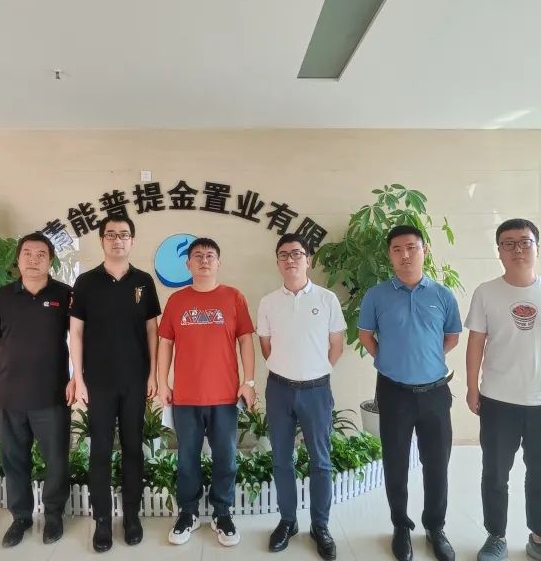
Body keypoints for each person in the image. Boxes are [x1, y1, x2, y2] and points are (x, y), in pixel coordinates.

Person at [465, 219, 541, 561]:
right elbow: (476, 343)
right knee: (494, 474)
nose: (517, 249)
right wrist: (472, 388)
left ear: (537, 247)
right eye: (508, 243)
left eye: (524, 241)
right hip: (498, 401)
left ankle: (540, 539)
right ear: (499, 251)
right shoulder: (486, 292)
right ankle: (496, 537)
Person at [358, 225, 461, 561]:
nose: (405, 255)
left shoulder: (443, 295)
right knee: (396, 461)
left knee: (437, 463)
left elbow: (451, 337)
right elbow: (365, 335)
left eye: (412, 247)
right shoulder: (376, 295)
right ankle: (401, 526)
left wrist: (427, 361)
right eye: (397, 249)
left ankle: (435, 527)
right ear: (389, 255)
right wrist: (387, 360)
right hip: (394, 392)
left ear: (424, 251)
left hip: (434, 392)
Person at [67, 214, 161, 552]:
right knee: (101, 451)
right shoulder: (86, 282)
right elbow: (76, 332)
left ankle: (132, 517)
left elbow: (152, 331)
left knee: (134, 448)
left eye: (123, 234)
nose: (117, 240)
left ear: (132, 240)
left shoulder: (143, 281)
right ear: (102, 240)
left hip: (135, 380)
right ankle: (103, 521)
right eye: (110, 235)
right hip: (99, 382)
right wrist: (78, 379)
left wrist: (153, 374)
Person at [156, 237, 256, 547]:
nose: (203, 260)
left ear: (218, 262)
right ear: (187, 264)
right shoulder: (176, 301)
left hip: (225, 397)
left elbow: (246, 341)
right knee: (187, 459)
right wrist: (162, 383)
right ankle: (188, 513)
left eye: (210, 255)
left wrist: (249, 382)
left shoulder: (234, 297)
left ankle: (221, 512)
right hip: (186, 398)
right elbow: (165, 344)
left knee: (226, 458)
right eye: (197, 256)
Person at [0, 233, 72, 547]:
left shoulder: (65, 295)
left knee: (56, 460)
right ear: (17, 260)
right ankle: (20, 517)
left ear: (50, 260)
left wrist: (78, 379)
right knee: (14, 460)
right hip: (9, 395)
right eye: (28, 253)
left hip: (52, 395)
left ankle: (54, 515)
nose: (34, 260)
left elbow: (81, 340)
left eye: (41, 254)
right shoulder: (2, 297)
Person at [257, 233, 345, 560]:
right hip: (279, 389)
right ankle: (288, 521)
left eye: (297, 253)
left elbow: (336, 346)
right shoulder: (268, 302)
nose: (290, 259)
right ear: (278, 262)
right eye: (284, 255)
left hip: (316, 390)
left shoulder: (327, 299)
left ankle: (320, 526)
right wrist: (288, 370)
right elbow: (266, 347)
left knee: (321, 461)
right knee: (282, 459)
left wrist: (315, 370)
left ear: (308, 259)